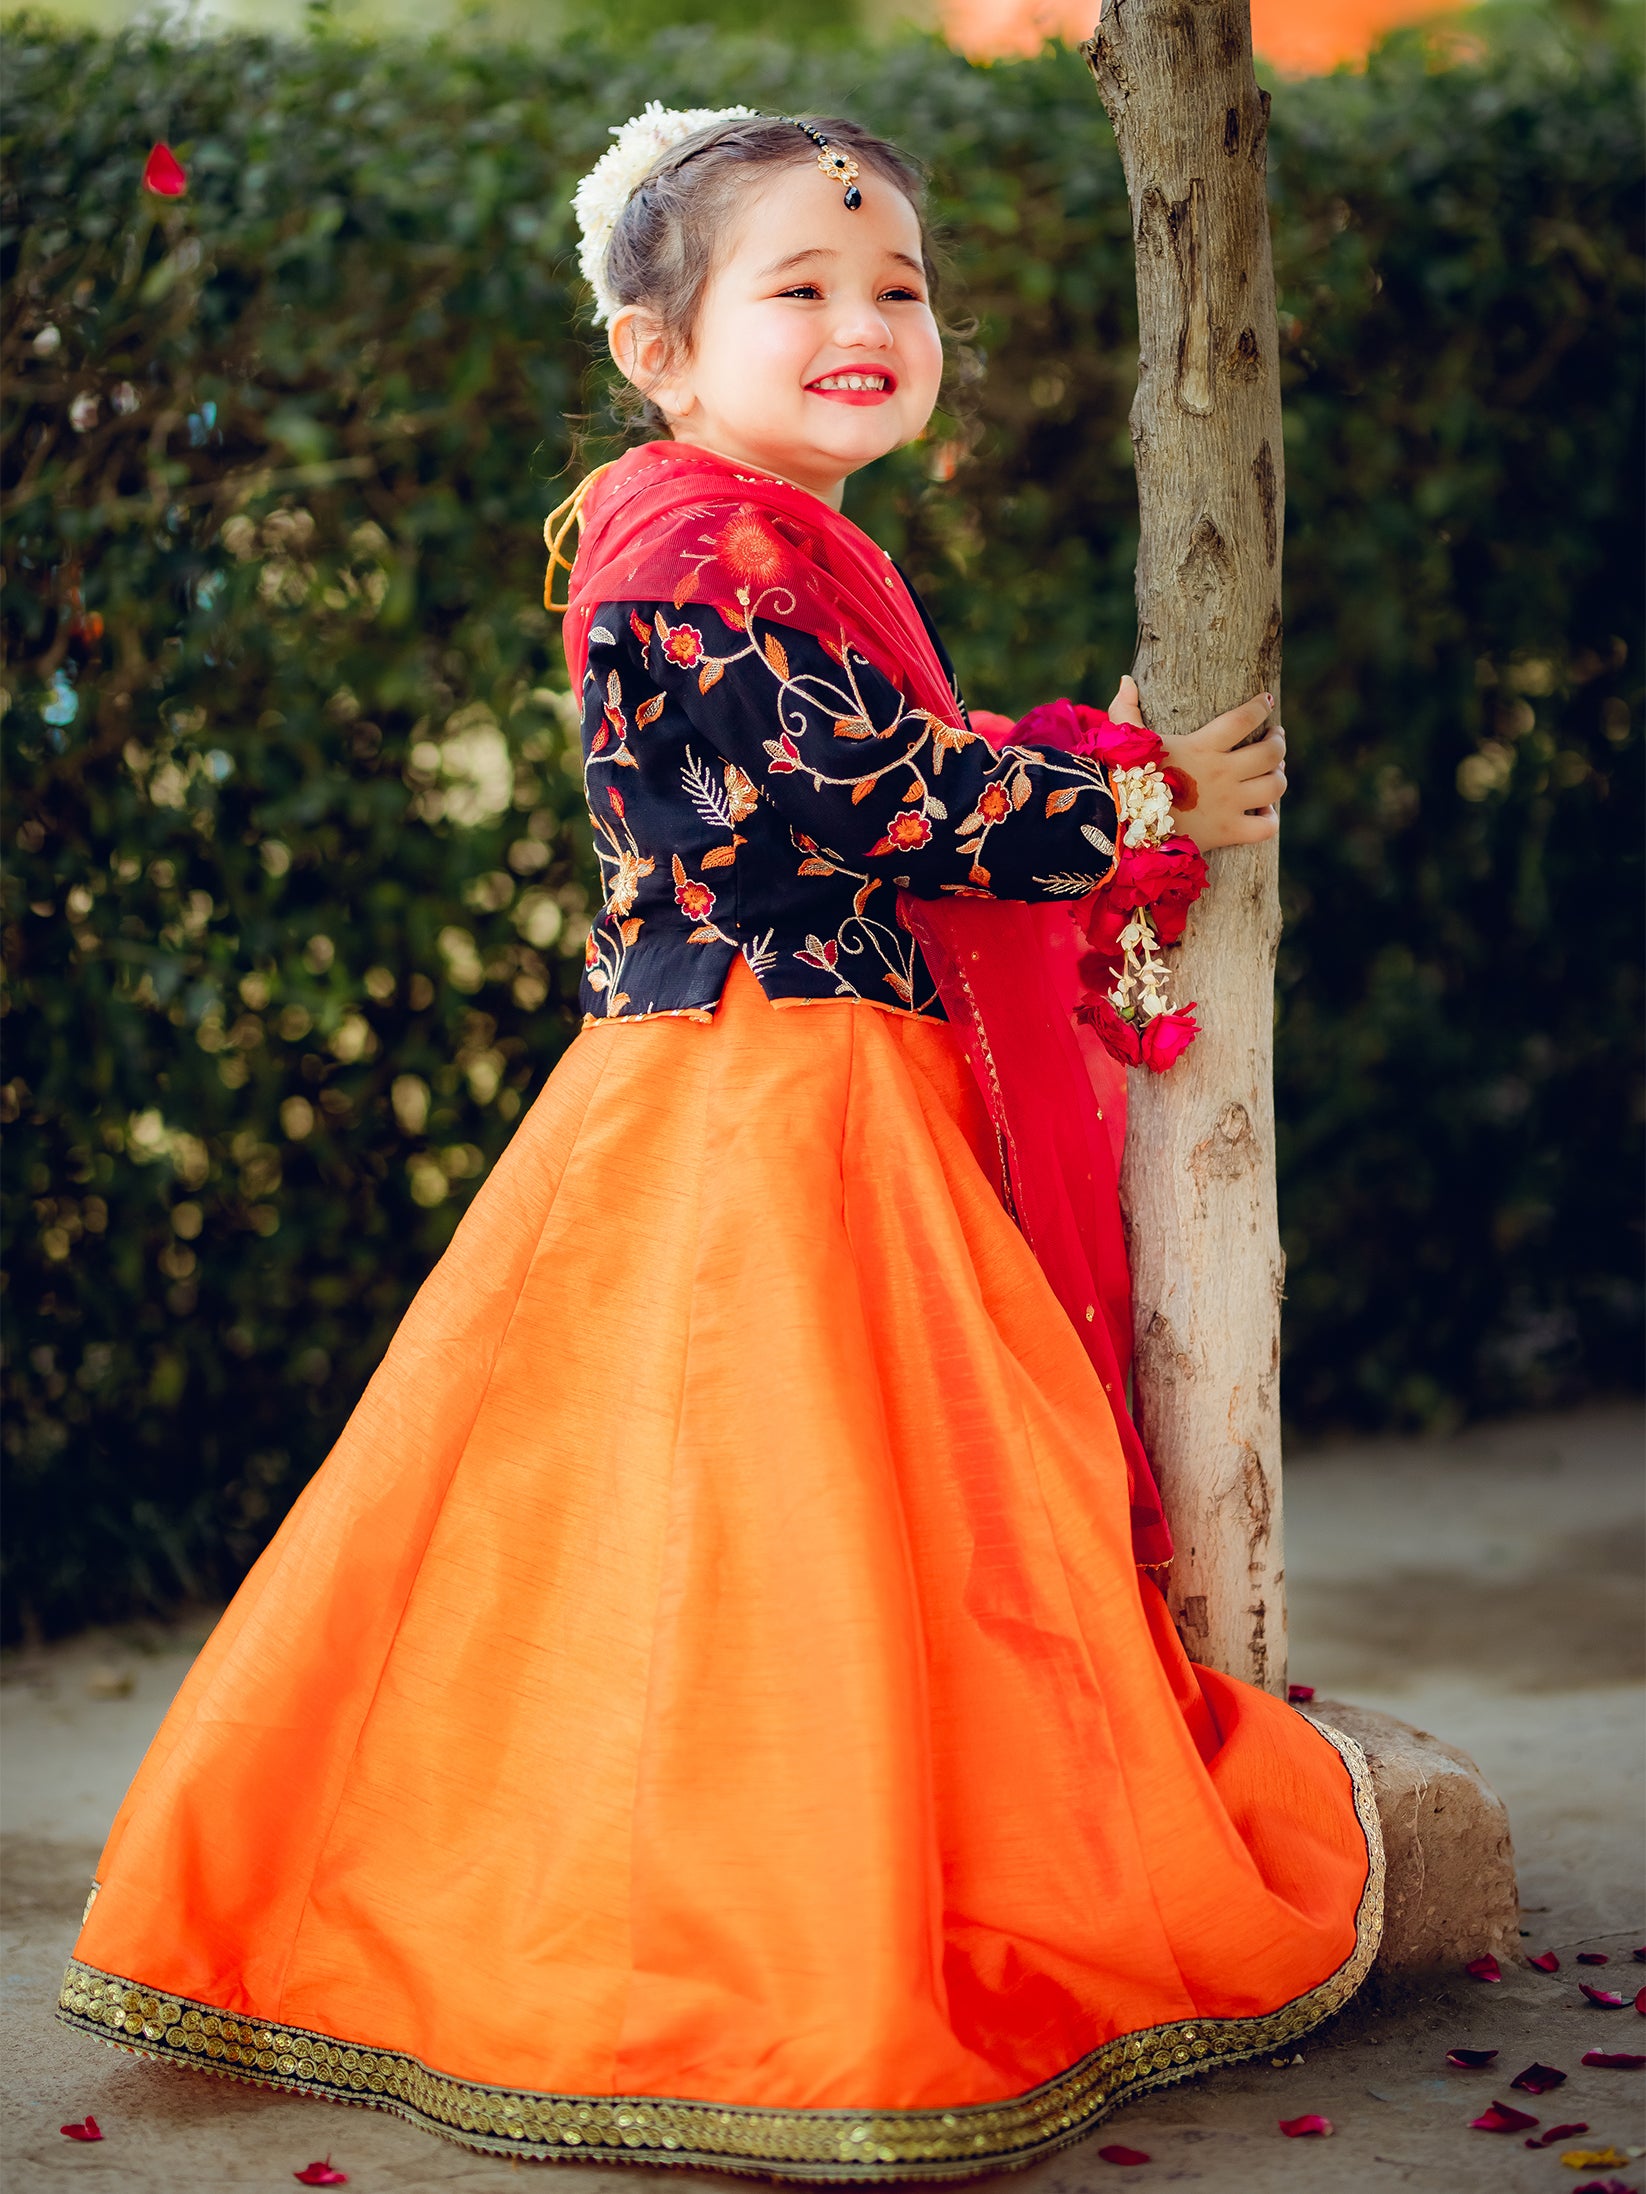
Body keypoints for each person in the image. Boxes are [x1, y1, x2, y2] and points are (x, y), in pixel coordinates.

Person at [58, 108, 1380, 2178]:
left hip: (805, 1073)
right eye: (803, 286)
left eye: (898, 287)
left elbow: (868, 768)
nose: (868, 318)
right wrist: (1122, 800)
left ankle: (782, 1893)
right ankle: (740, 1951)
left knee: (803, 1515)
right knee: (770, 1510)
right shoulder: (690, 544)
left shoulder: (748, 536)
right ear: (654, 350)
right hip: (765, 1094)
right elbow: (826, 791)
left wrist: (1067, 777)